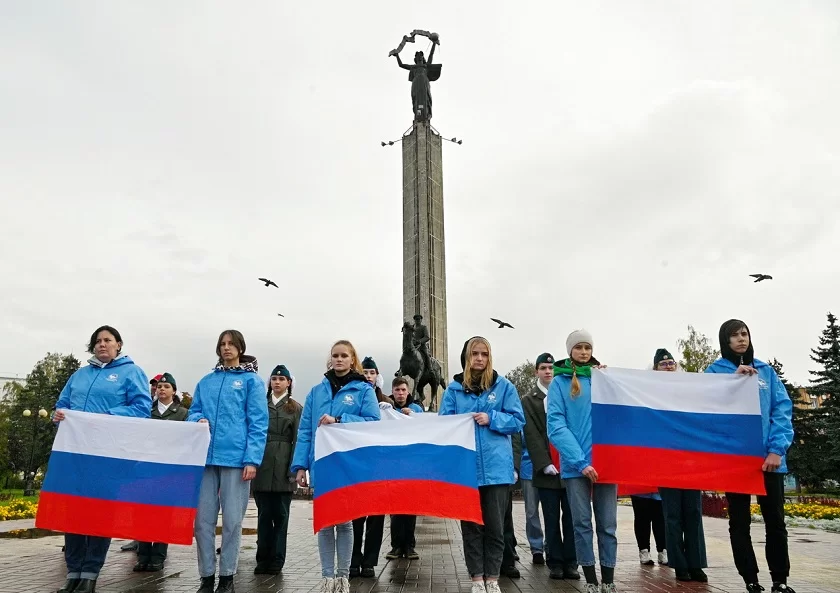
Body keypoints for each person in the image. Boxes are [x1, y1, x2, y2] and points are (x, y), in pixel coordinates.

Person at [52, 325, 151, 593]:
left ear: (119, 345)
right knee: (73, 513)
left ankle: (90, 574)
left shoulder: (132, 372)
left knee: (99, 512)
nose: (102, 344)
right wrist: (58, 415)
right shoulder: (79, 375)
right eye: (98, 341)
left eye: (108, 340)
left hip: (108, 454)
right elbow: (62, 405)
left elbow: (142, 408)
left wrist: (109, 416)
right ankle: (73, 572)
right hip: (75, 453)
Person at [706, 320, 796, 593]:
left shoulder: (766, 372)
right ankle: (750, 580)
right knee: (739, 523)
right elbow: (705, 406)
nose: (741, 339)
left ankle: (780, 580)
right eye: (734, 335)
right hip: (735, 461)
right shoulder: (714, 373)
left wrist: (776, 450)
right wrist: (733, 382)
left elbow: (781, 410)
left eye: (744, 334)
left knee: (775, 522)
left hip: (769, 460)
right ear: (725, 340)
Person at [291, 341, 381, 593]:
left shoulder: (363, 390)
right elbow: (305, 430)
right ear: (330, 359)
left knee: (344, 522)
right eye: (335, 355)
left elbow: (373, 422)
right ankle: (327, 576)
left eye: (344, 356)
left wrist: (340, 419)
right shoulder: (316, 392)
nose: (339, 359)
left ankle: (343, 577)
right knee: (325, 522)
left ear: (352, 360)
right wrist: (300, 465)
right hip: (321, 463)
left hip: (348, 465)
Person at [439, 336, 525, 593]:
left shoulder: (504, 386)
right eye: (475, 353)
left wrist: (493, 418)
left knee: (496, 528)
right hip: (467, 469)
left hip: (497, 469)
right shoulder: (454, 390)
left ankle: (493, 578)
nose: (479, 358)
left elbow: (517, 421)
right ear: (467, 357)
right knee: (472, 527)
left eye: (484, 354)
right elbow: (444, 425)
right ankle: (477, 578)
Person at [188, 330, 269, 593]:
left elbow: (258, 422)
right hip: (206, 460)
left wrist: (252, 459)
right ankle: (206, 577)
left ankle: (227, 578)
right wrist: (196, 419)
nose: (226, 348)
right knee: (202, 522)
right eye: (222, 344)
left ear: (240, 348)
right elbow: (193, 411)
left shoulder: (252, 381)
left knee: (233, 522)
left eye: (231, 344)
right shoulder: (206, 381)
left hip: (236, 460)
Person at [547, 330, 618, 593]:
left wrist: (611, 380)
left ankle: (608, 580)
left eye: (588, 347)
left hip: (605, 464)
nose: (584, 352)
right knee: (582, 524)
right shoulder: (559, 383)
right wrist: (580, 461)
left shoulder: (602, 378)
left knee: (607, 525)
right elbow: (556, 426)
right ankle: (590, 579)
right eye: (579, 347)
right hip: (576, 466)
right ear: (570, 351)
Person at [652, 348, 708, 583]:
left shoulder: (688, 390)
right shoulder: (649, 393)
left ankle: (696, 563)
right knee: (673, 515)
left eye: (671, 363)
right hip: (666, 463)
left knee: (693, 513)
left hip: (690, 461)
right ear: (655, 369)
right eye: (663, 364)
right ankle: (680, 565)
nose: (668, 367)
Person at [522, 352, 579, 581]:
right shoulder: (529, 400)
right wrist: (544, 463)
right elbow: (532, 434)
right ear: (536, 371)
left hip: (569, 466)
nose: (548, 371)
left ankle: (572, 561)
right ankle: (555, 562)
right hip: (546, 471)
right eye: (543, 368)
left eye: (551, 368)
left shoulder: (568, 393)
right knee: (551, 518)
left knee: (572, 518)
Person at [134, 372, 188, 573]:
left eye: (166, 386)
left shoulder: (183, 414)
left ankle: (158, 556)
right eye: (159, 387)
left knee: (163, 514)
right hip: (146, 469)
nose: (162, 389)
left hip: (169, 471)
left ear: (174, 391)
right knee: (143, 513)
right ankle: (143, 555)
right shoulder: (146, 411)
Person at [252, 365, 302, 575]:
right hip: (262, 463)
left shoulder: (295, 408)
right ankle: (262, 558)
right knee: (264, 516)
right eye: (274, 379)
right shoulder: (259, 405)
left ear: (289, 383)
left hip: (283, 464)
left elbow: (298, 439)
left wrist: (295, 468)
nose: (277, 382)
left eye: (282, 379)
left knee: (281, 516)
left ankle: (277, 559)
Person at [348, 356, 388, 579]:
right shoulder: (353, 398)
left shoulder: (387, 403)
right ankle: (353, 559)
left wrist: (402, 415)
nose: (368, 376)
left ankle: (370, 561)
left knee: (376, 517)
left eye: (372, 373)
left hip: (379, 466)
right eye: (365, 372)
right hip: (359, 464)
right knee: (356, 515)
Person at [385, 377, 424, 561]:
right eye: (397, 390)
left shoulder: (416, 409)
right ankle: (396, 546)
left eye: (403, 390)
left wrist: (414, 416)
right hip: (393, 465)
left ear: (408, 391)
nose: (400, 393)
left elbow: (425, 428)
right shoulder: (387, 410)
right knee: (394, 508)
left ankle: (409, 546)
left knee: (410, 507)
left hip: (411, 466)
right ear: (392, 391)